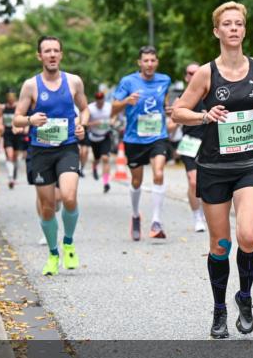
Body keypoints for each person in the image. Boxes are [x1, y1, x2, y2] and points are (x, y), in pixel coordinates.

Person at [172, 1, 253, 339]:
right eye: (227, 24)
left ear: (244, 30)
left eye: (238, 23)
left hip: (250, 163)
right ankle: (219, 309)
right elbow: (178, 112)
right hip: (214, 166)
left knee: (248, 236)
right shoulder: (207, 73)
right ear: (217, 31)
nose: (233, 28)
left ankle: (244, 297)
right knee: (221, 244)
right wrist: (205, 116)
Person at [13, 36, 89, 276]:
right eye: (47, 51)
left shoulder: (74, 81)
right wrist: (30, 120)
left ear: (61, 54)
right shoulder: (31, 85)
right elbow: (16, 118)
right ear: (40, 56)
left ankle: (68, 242)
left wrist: (82, 125)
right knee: (47, 207)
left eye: (56, 50)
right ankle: (53, 253)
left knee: (68, 197)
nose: (52, 54)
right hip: (40, 151)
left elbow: (84, 109)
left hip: (67, 146)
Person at [111, 46, 173, 241]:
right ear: (140, 63)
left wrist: (169, 110)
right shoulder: (128, 81)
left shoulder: (165, 80)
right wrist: (126, 101)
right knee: (136, 181)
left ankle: (156, 221)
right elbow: (113, 108)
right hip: (134, 139)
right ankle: (136, 215)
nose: (149, 64)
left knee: (159, 173)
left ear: (157, 62)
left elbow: (164, 102)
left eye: (153, 60)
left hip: (158, 136)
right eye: (145, 61)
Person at [170, 63, 208, 232]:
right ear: (186, 77)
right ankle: (197, 217)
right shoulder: (181, 99)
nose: (193, 75)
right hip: (189, 142)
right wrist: (173, 116)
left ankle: (210, 214)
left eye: (196, 72)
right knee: (193, 182)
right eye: (190, 73)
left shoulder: (211, 94)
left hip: (209, 142)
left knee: (209, 183)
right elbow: (171, 126)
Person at [81, 91, 114, 193]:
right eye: (98, 101)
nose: (100, 103)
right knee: (97, 158)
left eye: (101, 100)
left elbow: (115, 115)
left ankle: (106, 183)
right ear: (96, 100)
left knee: (105, 158)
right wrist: (95, 123)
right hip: (94, 136)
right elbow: (84, 122)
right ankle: (94, 167)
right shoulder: (90, 108)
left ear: (104, 99)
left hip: (105, 136)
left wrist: (113, 120)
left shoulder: (109, 107)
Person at [1, 91, 28, 189]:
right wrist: (1, 126)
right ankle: (10, 177)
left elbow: (24, 117)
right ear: (7, 98)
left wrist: (25, 127)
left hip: (17, 134)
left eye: (13, 97)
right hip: (7, 133)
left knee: (15, 157)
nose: (11, 99)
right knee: (9, 155)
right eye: (9, 97)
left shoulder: (19, 107)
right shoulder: (3, 108)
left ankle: (14, 173)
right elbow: (0, 118)